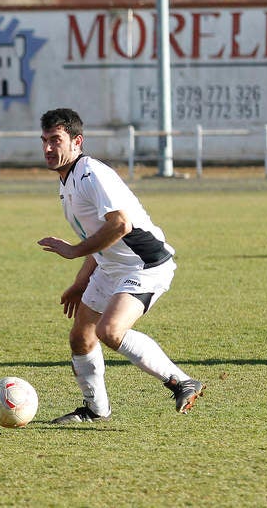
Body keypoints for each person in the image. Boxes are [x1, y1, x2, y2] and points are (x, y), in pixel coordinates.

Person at [37, 107, 204, 423]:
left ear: (77, 141)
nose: (47, 148)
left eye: (55, 140)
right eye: (44, 140)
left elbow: (120, 225)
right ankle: (96, 410)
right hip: (111, 268)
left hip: (145, 265)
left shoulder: (91, 174)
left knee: (110, 331)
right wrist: (80, 282)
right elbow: (99, 238)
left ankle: (182, 382)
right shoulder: (67, 181)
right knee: (81, 336)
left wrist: (73, 251)